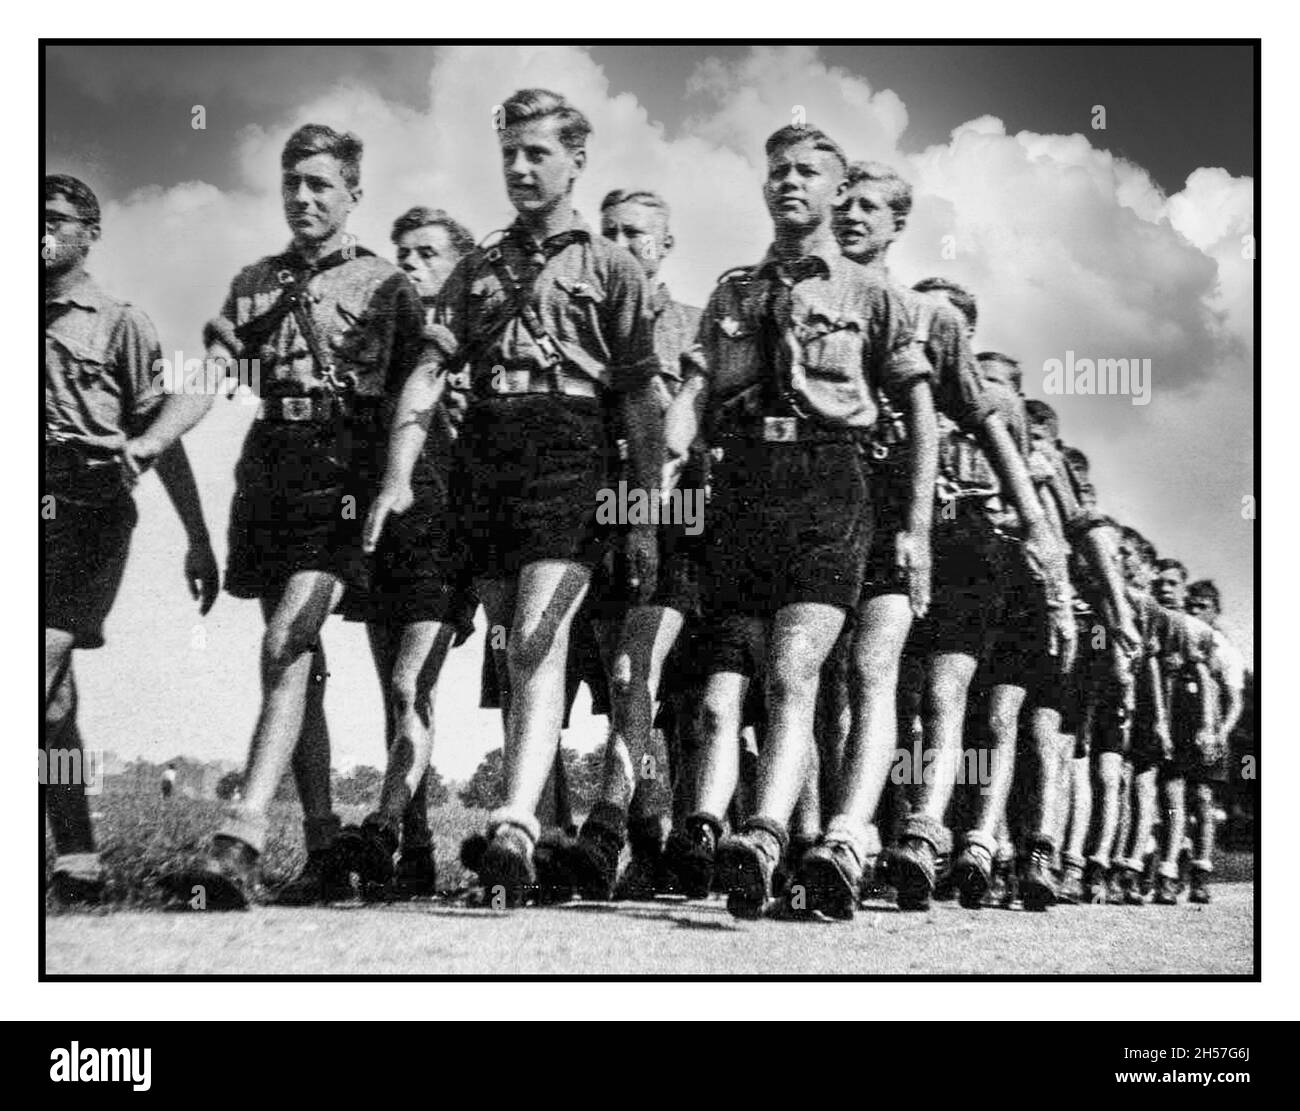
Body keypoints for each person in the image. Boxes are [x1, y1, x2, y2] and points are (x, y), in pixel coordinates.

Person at [366, 89, 662, 907]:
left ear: (576, 161)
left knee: (538, 634)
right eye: (510, 155)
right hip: (489, 455)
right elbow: (429, 371)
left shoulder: (612, 268)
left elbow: (640, 402)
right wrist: (398, 472)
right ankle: (529, 821)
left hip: (571, 444)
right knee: (510, 638)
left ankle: (515, 825)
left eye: (538, 154)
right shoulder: (477, 270)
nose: (521, 168)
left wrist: (642, 512)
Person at [663, 125, 936, 919]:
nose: (791, 182)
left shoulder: (870, 296)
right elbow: (695, 391)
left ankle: (766, 833)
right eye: (778, 170)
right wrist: (670, 456)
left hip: (830, 478)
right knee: (728, 688)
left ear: (836, 189)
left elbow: (920, 419)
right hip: (744, 488)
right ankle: (768, 830)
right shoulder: (734, 293)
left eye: (809, 172)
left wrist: (914, 528)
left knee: (795, 670)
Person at [180, 124, 430, 909]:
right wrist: (155, 428)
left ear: (354, 192)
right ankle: (323, 847)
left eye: (321, 184)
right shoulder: (253, 282)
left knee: (287, 635)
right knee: (297, 665)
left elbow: (414, 399)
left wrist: (399, 484)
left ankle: (241, 833)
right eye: (292, 182)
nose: (303, 197)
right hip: (269, 467)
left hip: (343, 468)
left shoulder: (389, 286)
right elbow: (213, 374)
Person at [44, 174, 219, 904]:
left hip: (89, 502)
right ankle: (78, 856)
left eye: (52, 219)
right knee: (51, 703)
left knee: (36, 659)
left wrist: (198, 538)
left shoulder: (119, 322)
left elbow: (162, 435)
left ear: (90, 231)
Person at [333, 207, 479, 900]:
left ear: (460, 266)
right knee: (395, 698)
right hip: (384, 536)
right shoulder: (382, 345)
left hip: (447, 539)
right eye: (402, 252)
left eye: (427, 253)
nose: (410, 264)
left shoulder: (473, 344)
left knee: (409, 685)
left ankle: (385, 823)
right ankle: (415, 849)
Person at [566, 189, 703, 900]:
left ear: (666, 244)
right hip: (603, 514)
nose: (623, 243)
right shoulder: (585, 323)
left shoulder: (692, 325)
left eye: (638, 233)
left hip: (680, 516)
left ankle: (611, 821)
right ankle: (652, 841)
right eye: (610, 231)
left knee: (641, 678)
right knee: (627, 688)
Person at [1184, 579, 1246, 903]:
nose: (1194, 611)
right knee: (1173, 800)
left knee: (1204, 799)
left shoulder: (1222, 648)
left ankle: (1201, 874)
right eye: (1191, 604)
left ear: (1215, 611)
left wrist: (1220, 732)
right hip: (1179, 729)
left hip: (1208, 733)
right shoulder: (1179, 636)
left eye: (1202, 606)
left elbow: (1235, 700)